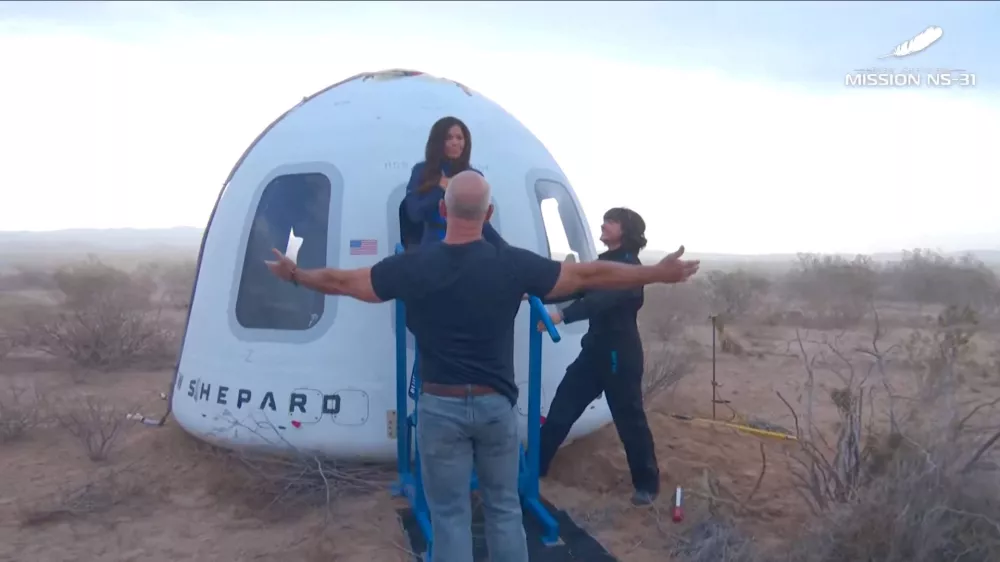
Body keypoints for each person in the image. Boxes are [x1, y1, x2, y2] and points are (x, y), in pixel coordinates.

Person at [264, 171, 699, 562]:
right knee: (504, 509)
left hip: (440, 407)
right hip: (495, 409)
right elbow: (589, 275)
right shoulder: (512, 265)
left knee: (450, 515)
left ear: (442, 210)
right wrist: (656, 274)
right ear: (489, 214)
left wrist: (296, 275)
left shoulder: (412, 265)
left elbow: (345, 281)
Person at [537, 207, 662, 507]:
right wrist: (537, 293)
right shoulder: (604, 263)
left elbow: (602, 300)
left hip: (619, 355)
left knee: (629, 420)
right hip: (593, 352)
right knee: (562, 408)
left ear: (626, 230)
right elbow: (577, 286)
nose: (604, 225)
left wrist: (561, 316)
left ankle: (647, 484)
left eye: (612, 221)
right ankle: (535, 468)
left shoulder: (630, 269)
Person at [399, 116, 505, 248]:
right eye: (448, 138)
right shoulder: (422, 172)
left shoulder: (474, 176)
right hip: (433, 248)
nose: (455, 142)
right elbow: (414, 213)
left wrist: (504, 249)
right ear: (438, 142)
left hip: (468, 248)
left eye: (459, 138)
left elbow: (482, 221)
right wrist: (440, 189)